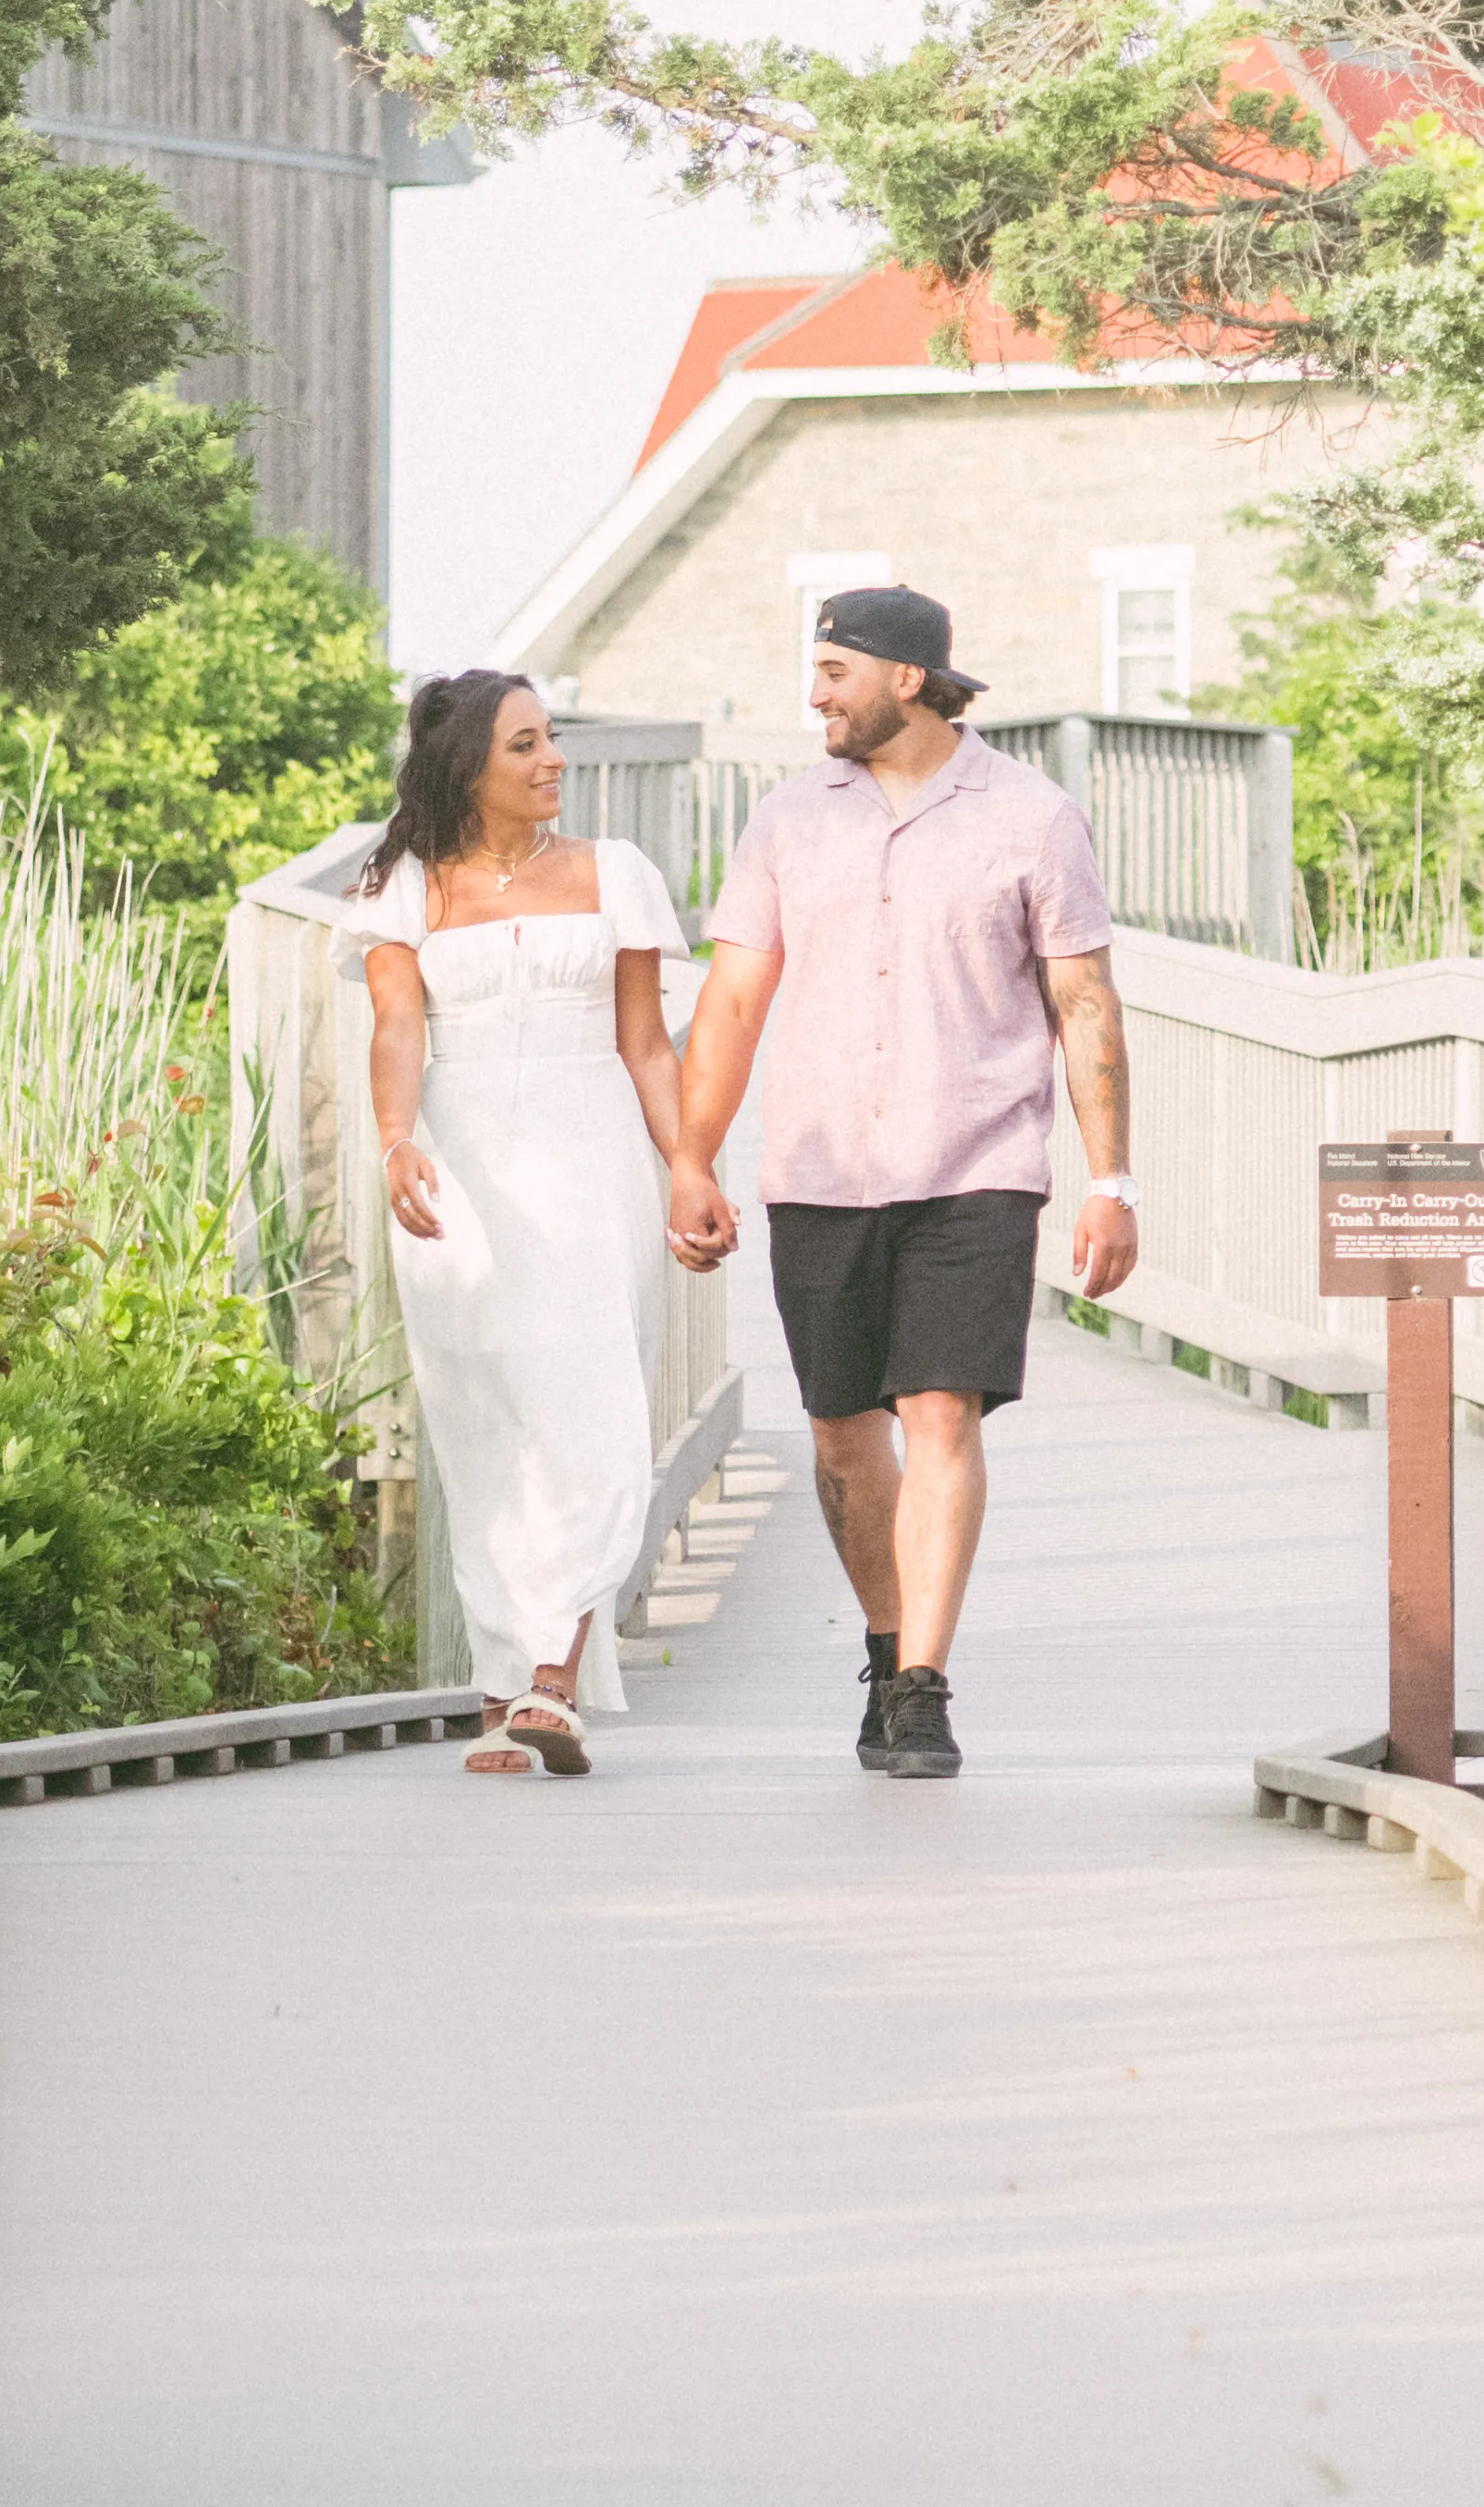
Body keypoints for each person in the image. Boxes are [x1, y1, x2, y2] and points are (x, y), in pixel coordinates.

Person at [662, 587, 1134, 1784]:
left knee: (941, 1414)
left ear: (909, 677)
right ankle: (883, 1644)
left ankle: (922, 1682)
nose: (815, 692)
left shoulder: (1031, 818)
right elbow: (729, 1002)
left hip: (975, 1164)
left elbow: (1083, 1002)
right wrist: (689, 1155)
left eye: (834, 669)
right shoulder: (786, 823)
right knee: (840, 1436)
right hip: (821, 1168)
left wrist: (1111, 1178)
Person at [350, 667, 696, 1777]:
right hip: (461, 1169)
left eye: (552, 740)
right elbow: (398, 1021)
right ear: (467, 767)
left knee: (593, 1401)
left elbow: (649, 1044)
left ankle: (554, 1677)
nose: (553, 761)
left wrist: (689, 1167)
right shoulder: (405, 885)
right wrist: (398, 1137)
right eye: (525, 746)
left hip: (590, 1158)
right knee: (485, 1417)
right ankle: (505, 1688)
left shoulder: (615, 875)